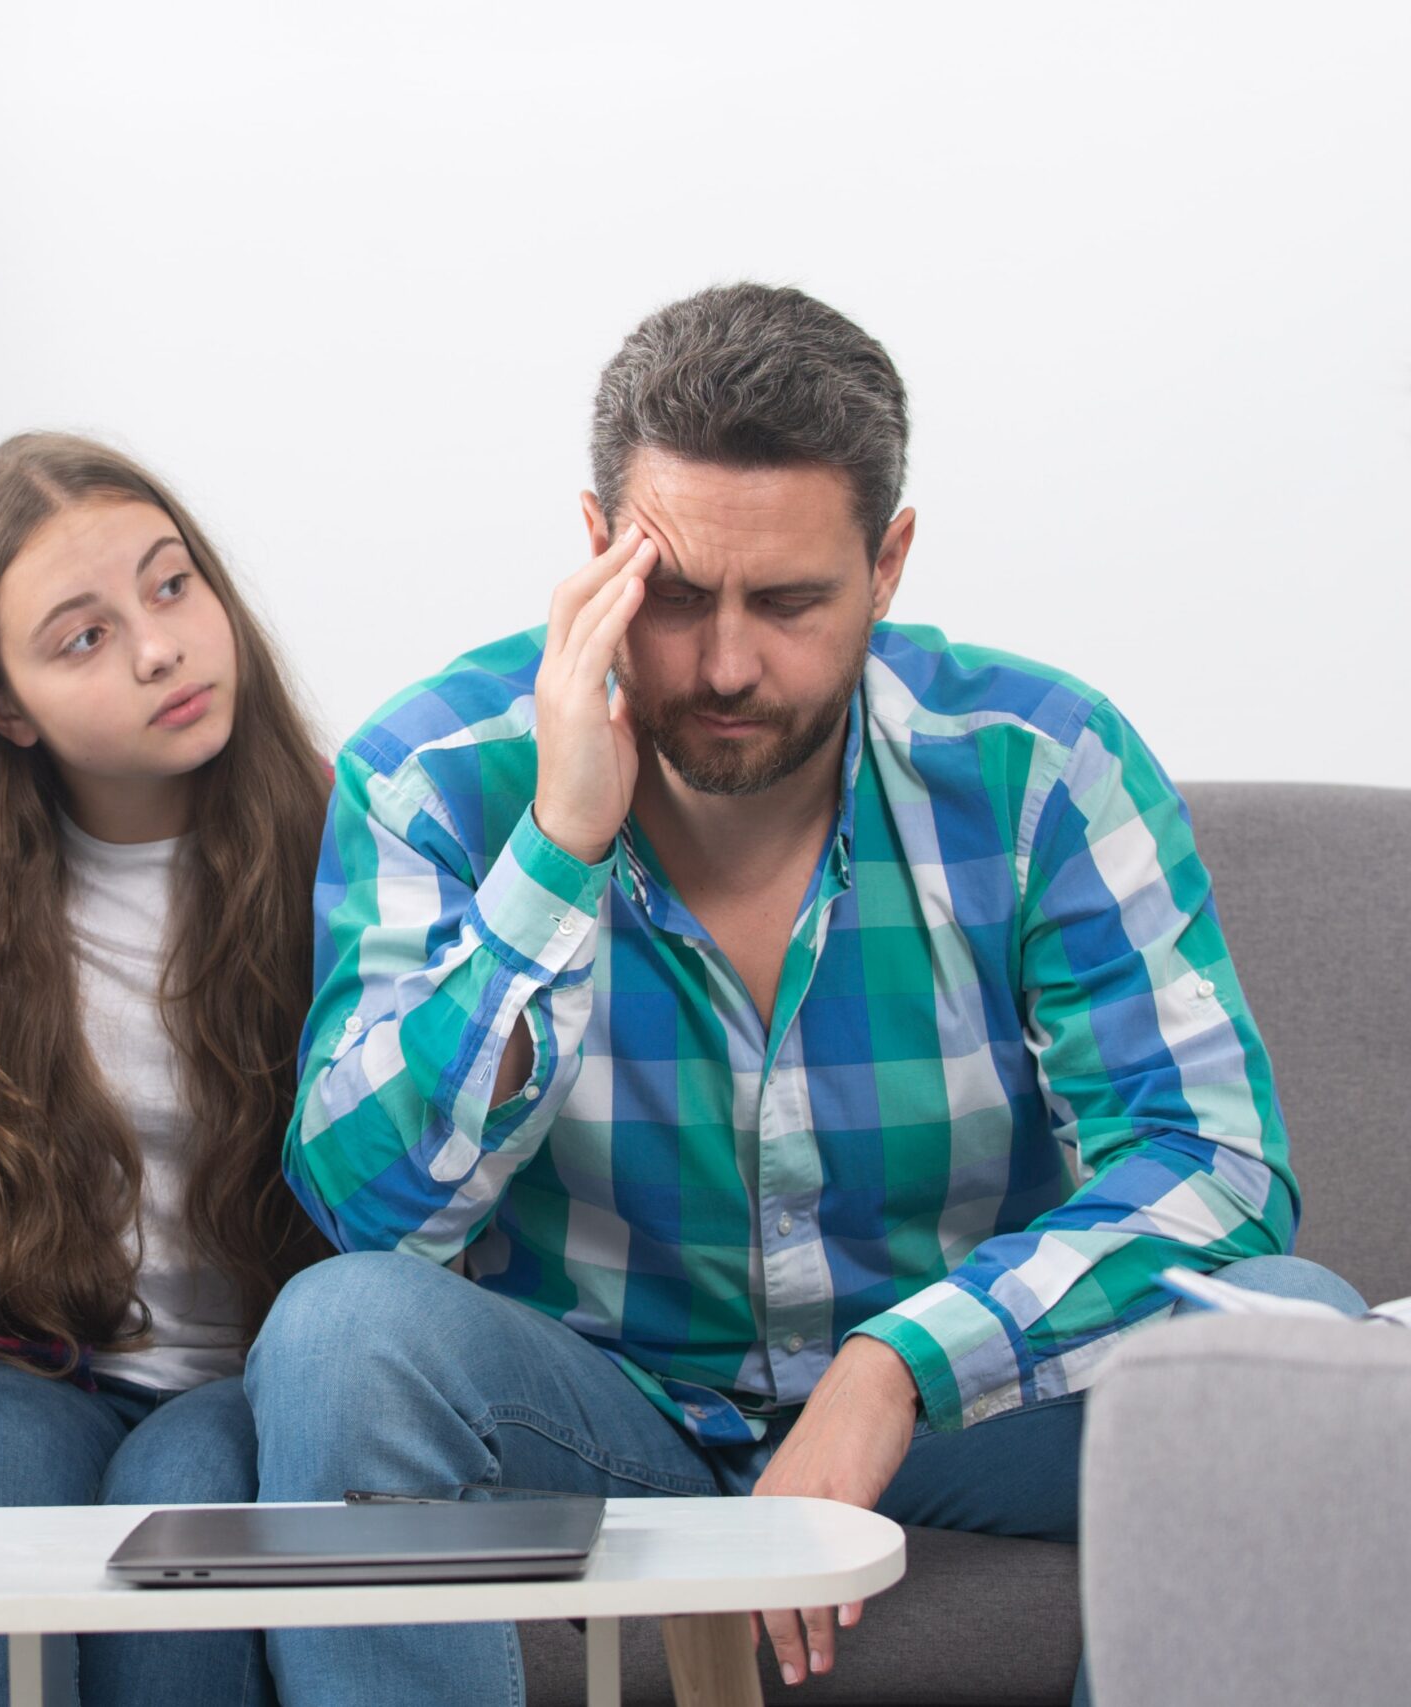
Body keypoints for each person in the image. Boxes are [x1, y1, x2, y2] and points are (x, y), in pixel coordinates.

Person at [248, 285, 1364, 1704]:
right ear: (596, 550)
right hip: (602, 1412)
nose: (725, 665)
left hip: (953, 1413)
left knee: (1285, 1330)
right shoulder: (433, 773)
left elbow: (1215, 1164)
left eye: (787, 604)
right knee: (338, 1332)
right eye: (672, 596)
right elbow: (373, 1214)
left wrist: (898, 1367)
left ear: (887, 564)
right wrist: (556, 853)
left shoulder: (1040, 766)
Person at [0, 433, 333, 1706]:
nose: (160, 649)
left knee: (187, 1492)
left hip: (244, 1378)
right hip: (2, 1364)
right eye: (83, 638)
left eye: (172, 586)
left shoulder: (353, 844)